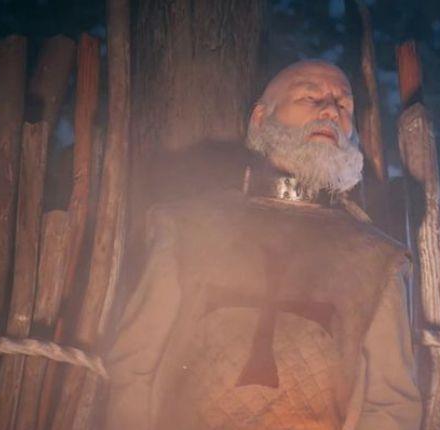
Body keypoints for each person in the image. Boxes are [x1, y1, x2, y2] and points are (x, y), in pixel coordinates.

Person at [104, 60, 422, 430]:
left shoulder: (375, 259)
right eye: (310, 97)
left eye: (343, 104)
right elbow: (133, 370)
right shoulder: (188, 228)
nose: (330, 111)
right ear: (260, 117)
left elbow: (390, 406)